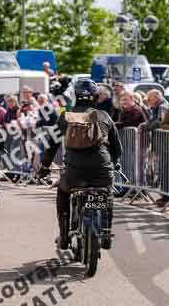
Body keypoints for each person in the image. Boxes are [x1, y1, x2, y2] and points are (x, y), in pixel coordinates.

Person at [39, 79, 122, 250]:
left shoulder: (65, 117)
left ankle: (63, 237)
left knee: (63, 192)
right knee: (107, 193)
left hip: (74, 172)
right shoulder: (104, 116)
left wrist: (44, 167)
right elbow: (116, 147)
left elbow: (51, 146)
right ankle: (106, 233)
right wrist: (115, 164)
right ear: (96, 97)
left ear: (75, 96)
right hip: (102, 170)